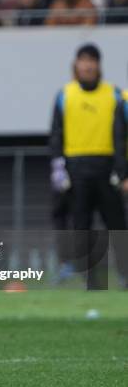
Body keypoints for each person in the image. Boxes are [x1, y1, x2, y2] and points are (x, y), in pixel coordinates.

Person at [50, 43, 128, 289]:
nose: (88, 65)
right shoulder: (65, 95)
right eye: (83, 60)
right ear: (76, 65)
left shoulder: (116, 95)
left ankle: (125, 275)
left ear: (99, 65)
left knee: (117, 226)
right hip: (77, 168)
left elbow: (123, 135)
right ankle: (91, 281)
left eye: (92, 60)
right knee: (82, 226)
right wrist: (59, 168)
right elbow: (55, 134)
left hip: (108, 168)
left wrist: (124, 171)